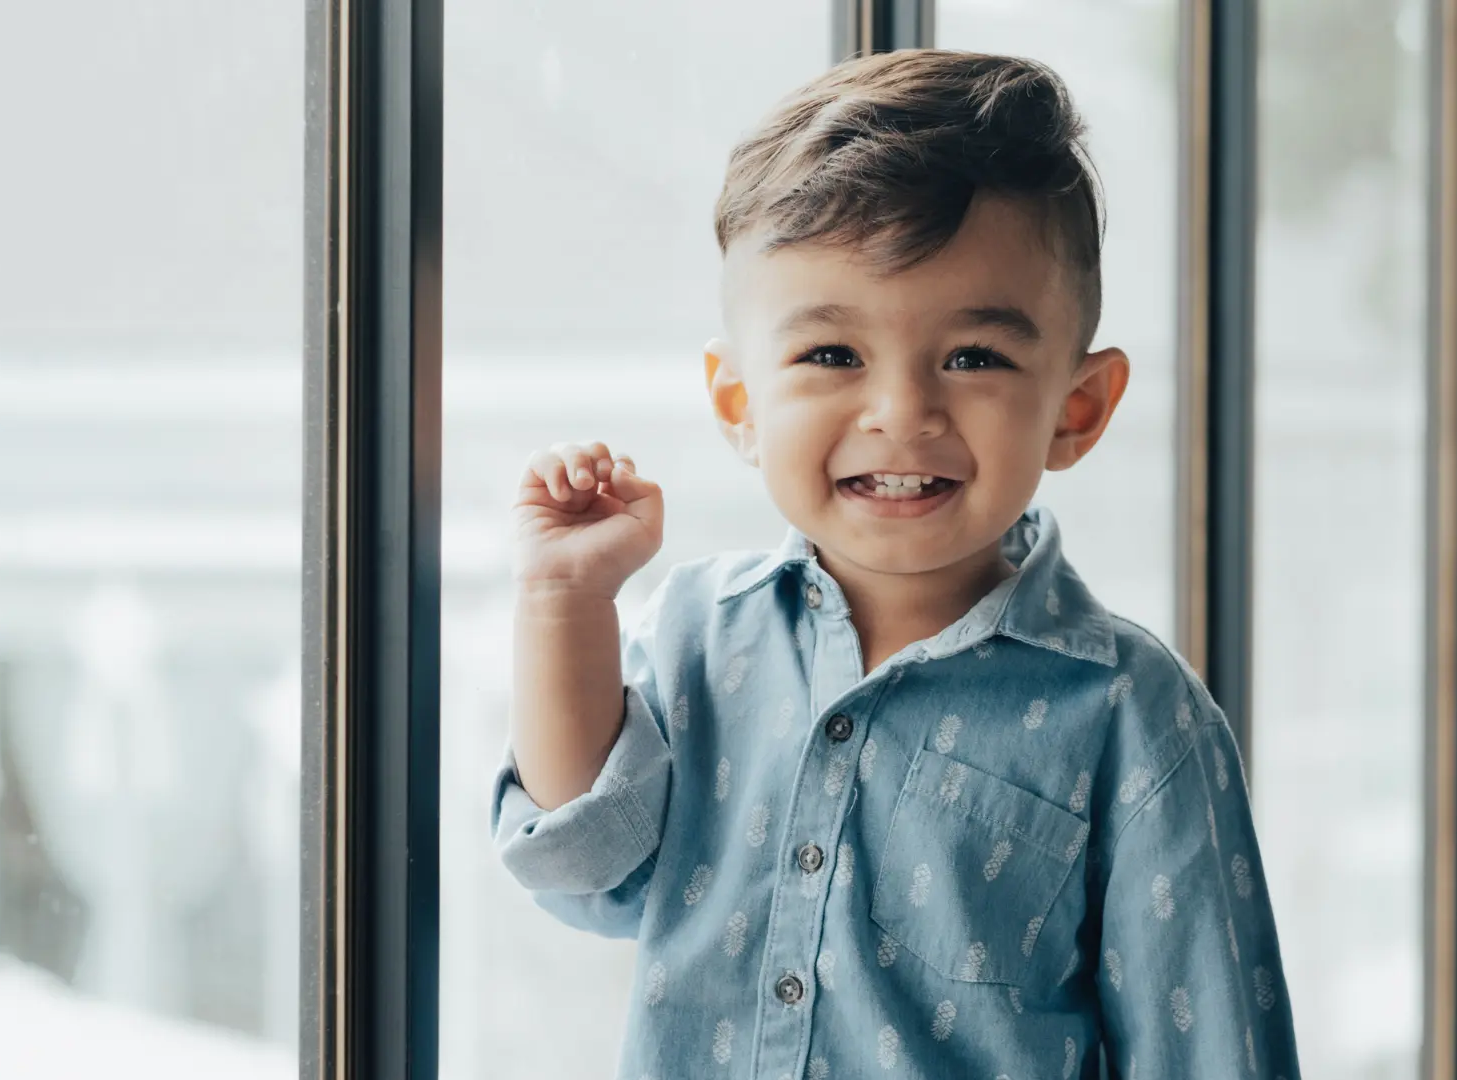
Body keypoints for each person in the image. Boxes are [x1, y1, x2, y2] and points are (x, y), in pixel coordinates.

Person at [493, 49, 1300, 1079]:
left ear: (1078, 407)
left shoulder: (1135, 717)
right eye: (832, 355)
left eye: (974, 358)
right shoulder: (695, 629)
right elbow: (583, 875)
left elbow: (1213, 1051)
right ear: (740, 402)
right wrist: (565, 600)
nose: (900, 413)